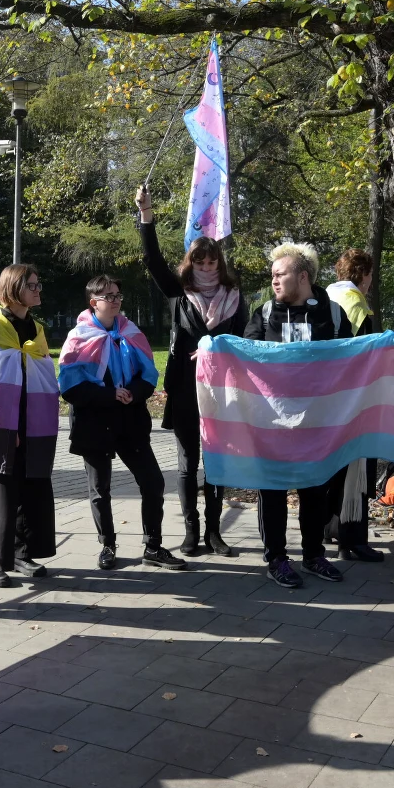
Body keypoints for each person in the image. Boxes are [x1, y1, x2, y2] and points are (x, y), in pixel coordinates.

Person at [136, 185, 246, 557]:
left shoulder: (235, 297)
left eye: (211, 262)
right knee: (187, 464)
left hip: (223, 392)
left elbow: (245, 341)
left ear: (219, 263)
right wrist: (147, 215)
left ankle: (214, 533)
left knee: (216, 463)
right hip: (185, 390)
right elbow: (151, 260)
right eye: (199, 262)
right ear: (191, 263)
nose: (206, 268)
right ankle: (190, 533)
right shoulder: (179, 293)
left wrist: (217, 350)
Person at [244, 243, 353, 588]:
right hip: (271, 422)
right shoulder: (263, 314)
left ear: (302, 276)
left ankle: (313, 555)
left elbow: (351, 359)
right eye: (272, 275)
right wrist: (211, 352)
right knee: (272, 489)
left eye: (281, 274)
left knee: (314, 488)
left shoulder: (333, 314)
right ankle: (276, 558)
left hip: (316, 421)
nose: (274, 280)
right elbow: (245, 357)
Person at [60, 275, 186, 571]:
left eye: (118, 295)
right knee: (100, 488)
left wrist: (136, 393)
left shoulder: (130, 331)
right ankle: (107, 544)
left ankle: (153, 546)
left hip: (129, 420)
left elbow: (149, 374)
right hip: (94, 421)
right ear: (94, 303)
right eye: (109, 296)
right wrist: (108, 394)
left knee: (153, 482)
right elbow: (70, 386)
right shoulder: (78, 337)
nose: (116, 300)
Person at [0, 264, 59, 587]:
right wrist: (9, 425)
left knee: (29, 486)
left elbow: (42, 369)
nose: (38, 290)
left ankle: (20, 551)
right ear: (13, 289)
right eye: (31, 285)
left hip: (31, 420)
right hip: (2, 422)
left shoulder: (36, 328)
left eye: (38, 284)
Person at [325, 250, 385, 562]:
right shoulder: (357, 303)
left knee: (335, 469)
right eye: (370, 274)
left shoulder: (325, 297)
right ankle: (354, 540)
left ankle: (331, 527)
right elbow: (364, 354)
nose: (371, 281)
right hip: (354, 397)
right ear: (362, 273)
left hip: (328, 398)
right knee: (358, 470)